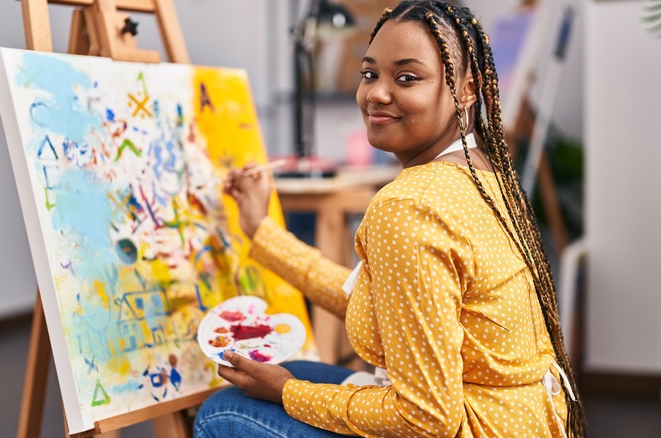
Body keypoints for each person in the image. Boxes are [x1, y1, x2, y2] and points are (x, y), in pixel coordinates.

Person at [194, 1, 586, 436]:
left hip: (476, 425)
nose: (377, 94)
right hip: (528, 420)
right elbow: (390, 306)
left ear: (467, 89)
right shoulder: (484, 176)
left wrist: (288, 392)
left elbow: (426, 417)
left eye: (406, 78)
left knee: (222, 413)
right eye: (369, 74)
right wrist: (260, 231)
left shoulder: (408, 205)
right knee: (293, 371)